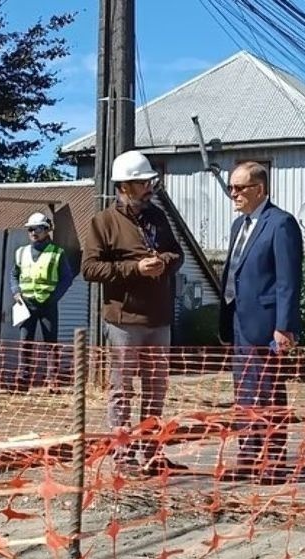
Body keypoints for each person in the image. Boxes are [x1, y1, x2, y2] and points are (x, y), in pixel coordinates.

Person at [81, 149, 186, 476]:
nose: (149, 187)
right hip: (125, 321)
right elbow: (90, 268)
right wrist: (135, 269)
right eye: (142, 183)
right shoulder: (104, 222)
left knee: (156, 387)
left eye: (148, 181)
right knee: (122, 389)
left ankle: (152, 453)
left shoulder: (157, 216)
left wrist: (163, 264)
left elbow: (177, 254)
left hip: (159, 319)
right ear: (124, 186)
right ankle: (123, 455)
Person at [218, 161, 303, 482]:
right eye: (231, 188)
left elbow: (288, 281)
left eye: (240, 188)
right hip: (238, 321)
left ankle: (273, 460)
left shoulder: (280, 224)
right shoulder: (239, 226)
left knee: (267, 391)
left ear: (260, 189)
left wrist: (284, 326)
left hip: (267, 324)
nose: (234, 194)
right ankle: (248, 455)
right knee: (244, 391)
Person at [10, 212, 73, 388]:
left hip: (48, 304)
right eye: (29, 229)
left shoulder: (57, 253)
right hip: (27, 303)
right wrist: (15, 291)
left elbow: (66, 278)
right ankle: (23, 379)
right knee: (25, 341)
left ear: (46, 230)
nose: (32, 232)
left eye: (36, 229)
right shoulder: (21, 252)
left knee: (50, 342)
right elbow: (14, 274)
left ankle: (52, 380)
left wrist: (55, 297)